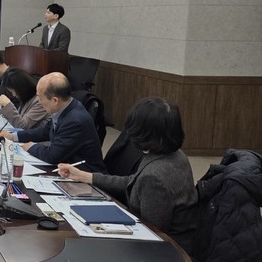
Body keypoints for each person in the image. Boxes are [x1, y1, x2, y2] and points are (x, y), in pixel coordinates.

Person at [58, 97, 197, 252]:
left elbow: (151, 231)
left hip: (167, 251)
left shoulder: (154, 176)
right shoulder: (174, 154)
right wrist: (85, 176)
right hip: (177, 240)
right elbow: (134, 182)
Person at [0, 72, 106, 173]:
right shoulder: (66, 107)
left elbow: (52, 156)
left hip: (85, 174)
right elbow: (45, 131)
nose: (39, 102)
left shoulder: (74, 121)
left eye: (40, 98)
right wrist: (13, 136)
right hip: (67, 167)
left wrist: (31, 146)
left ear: (55, 100)